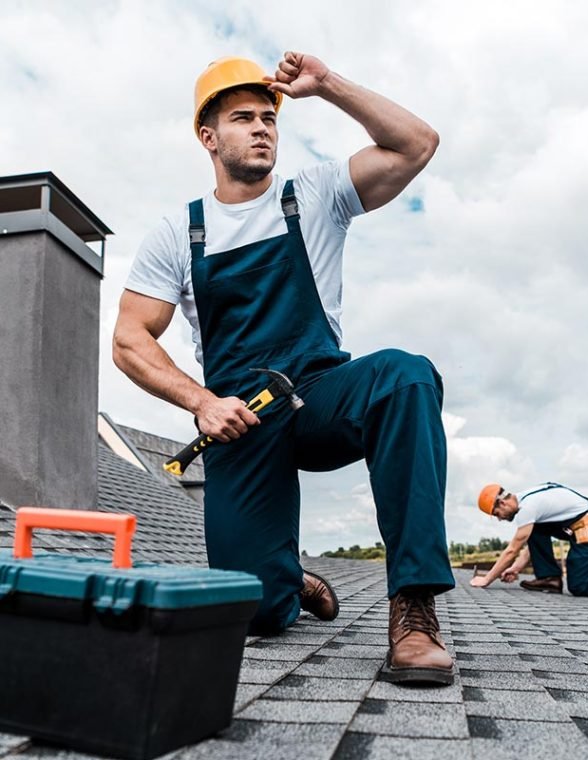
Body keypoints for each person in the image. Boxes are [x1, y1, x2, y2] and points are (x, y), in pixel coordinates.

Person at [113, 52, 456, 685]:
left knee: (406, 375)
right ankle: (286, 578)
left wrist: (325, 86)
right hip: (239, 420)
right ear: (208, 136)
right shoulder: (179, 233)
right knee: (257, 614)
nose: (262, 127)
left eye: (269, 117)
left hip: (321, 397)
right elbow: (130, 339)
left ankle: (414, 607)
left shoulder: (317, 195)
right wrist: (201, 402)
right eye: (242, 118)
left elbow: (416, 145)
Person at [470, 482, 588, 601]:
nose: (500, 519)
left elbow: (513, 549)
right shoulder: (526, 501)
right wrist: (517, 568)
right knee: (535, 529)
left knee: (580, 586)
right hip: (581, 531)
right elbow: (532, 542)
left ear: (502, 503)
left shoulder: (528, 507)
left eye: (497, 514)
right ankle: (549, 578)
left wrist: (487, 579)